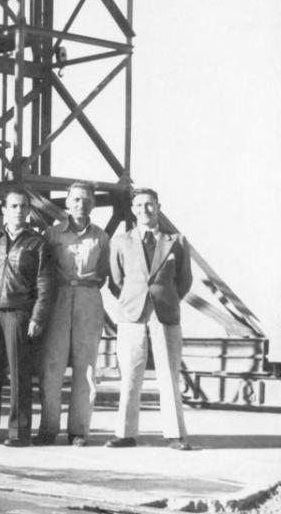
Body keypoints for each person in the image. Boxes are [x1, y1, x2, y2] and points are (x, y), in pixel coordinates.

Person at [106, 188, 193, 450]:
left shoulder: (176, 241)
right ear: (133, 209)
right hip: (132, 313)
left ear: (158, 207)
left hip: (165, 314)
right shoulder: (121, 241)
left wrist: (166, 298)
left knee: (168, 373)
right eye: (140, 205)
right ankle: (125, 433)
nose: (145, 210)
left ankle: (175, 435)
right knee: (130, 373)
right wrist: (132, 298)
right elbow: (115, 280)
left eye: (150, 205)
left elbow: (184, 280)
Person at [0, 188, 54, 447]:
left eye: (23, 206)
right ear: (4, 210)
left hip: (19, 313)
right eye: (14, 206)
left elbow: (45, 285)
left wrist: (37, 318)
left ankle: (19, 432)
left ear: (29, 211)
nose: (19, 211)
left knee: (20, 373)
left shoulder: (37, 244)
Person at [36, 181, 110, 447]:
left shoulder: (101, 237)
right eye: (76, 199)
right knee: (52, 365)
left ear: (92, 204)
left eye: (87, 200)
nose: (82, 204)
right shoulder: (52, 235)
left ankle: (78, 430)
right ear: (67, 204)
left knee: (86, 367)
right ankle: (48, 428)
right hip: (59, 298)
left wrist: (84, 290)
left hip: (89, 298)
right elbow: (43, 270)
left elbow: (103, 273)